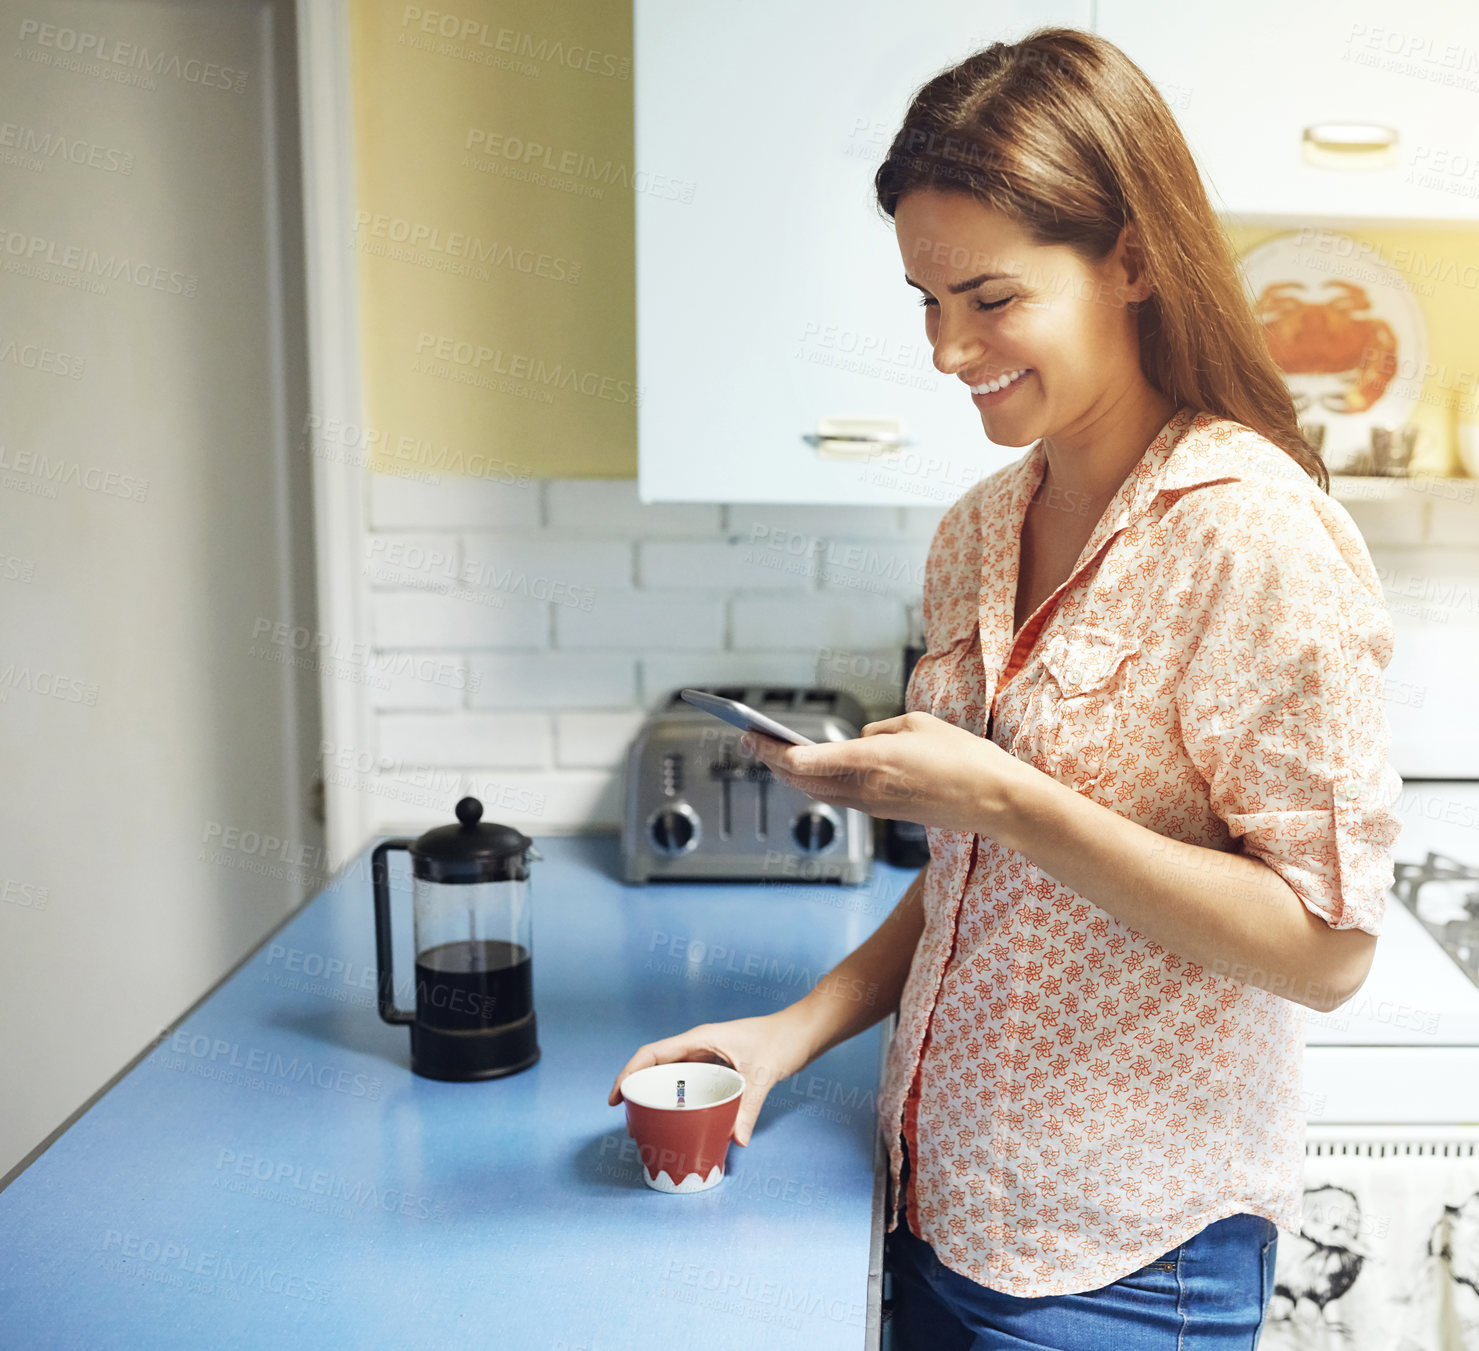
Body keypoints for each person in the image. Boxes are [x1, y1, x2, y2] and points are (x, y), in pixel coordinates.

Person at [608, 25, 1403, 1349]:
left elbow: (1327, 951)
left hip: (1130, 1262)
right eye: (925, 301)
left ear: (1131, 262)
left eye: (990, 298)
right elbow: (989, 882)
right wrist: (788, 1035)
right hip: (938, 1209)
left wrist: (1008, 796)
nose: (945, 351)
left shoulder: (1253, 535)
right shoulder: (981, 526)